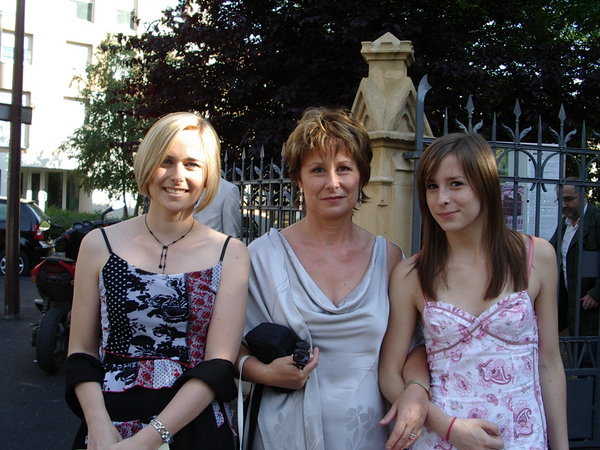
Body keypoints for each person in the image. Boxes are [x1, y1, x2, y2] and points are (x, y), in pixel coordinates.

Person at [237, 107, 429, 450]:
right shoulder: (261, 256)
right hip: (283, 434)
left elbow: (412, 347)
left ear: (361, 176)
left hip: (369, 432)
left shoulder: (390, 258)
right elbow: (227, 346)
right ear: (299, 179)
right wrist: (262, 373)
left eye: (344, 168)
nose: (333, 183)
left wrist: (416, 389)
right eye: (317, 170)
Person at [65, 112, 250, 449]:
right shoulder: (98, 245)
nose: (177, 176)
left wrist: (147, 441)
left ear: (208, 175)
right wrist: (99, 427)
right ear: (148, 164)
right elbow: (81, 351)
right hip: (110, 427)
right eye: (167, 161)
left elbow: (218, 364)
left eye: (192, 164)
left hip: (196, 429)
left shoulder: (231, 254)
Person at [379, 133, 569, 449]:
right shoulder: (411, 274)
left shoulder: (537, 257)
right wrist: (450, 427)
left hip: (522, 437)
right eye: (431, 186)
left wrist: (561, 446)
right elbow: (389, 372)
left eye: (456, 184)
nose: (441, 198)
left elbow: (549, 362)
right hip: (442, 439)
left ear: (484, 185)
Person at [550, 179, 600, 336]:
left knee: (588, 352)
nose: (564, 205)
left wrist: (597, 292)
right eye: (560, 200)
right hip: (570, 300)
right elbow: (551, 251)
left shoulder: (596, 220)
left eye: (569, 199)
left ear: (584, 197)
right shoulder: (565, 223)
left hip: (590, 303)